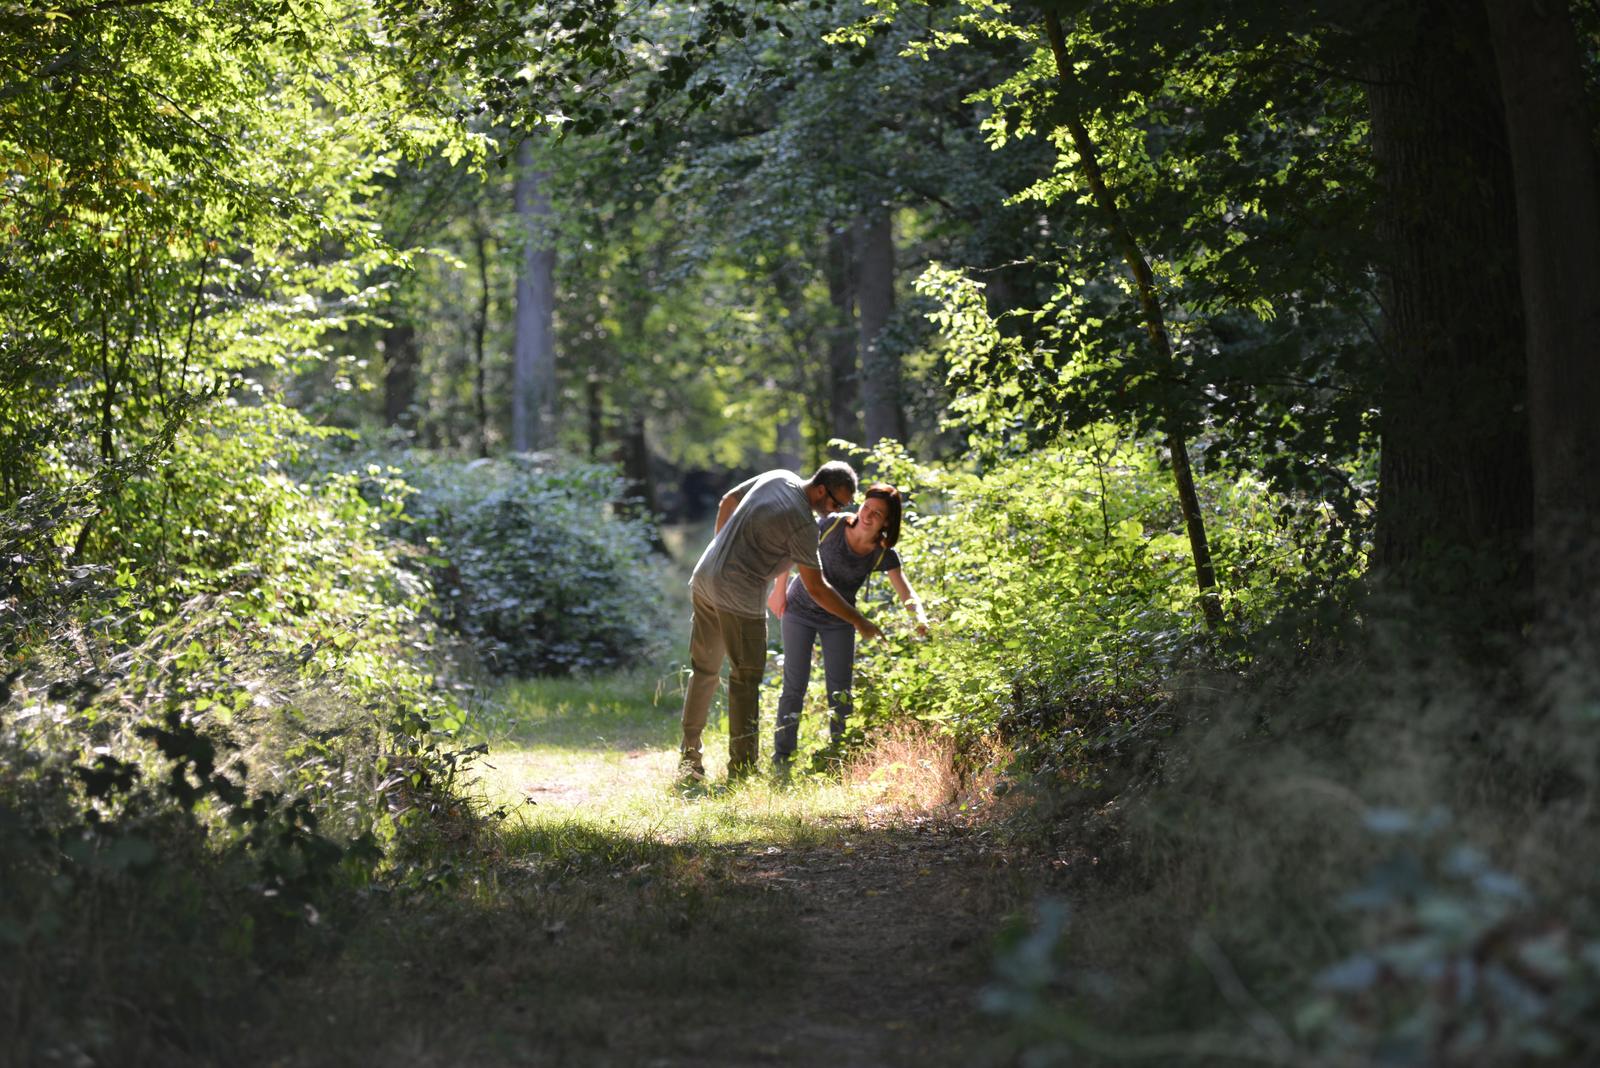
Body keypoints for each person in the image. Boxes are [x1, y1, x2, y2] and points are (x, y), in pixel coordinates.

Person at [678, 461, 884, 782]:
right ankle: (743, 769)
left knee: (704, 671)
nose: (838, 511)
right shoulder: (803, 525)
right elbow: (816, 588)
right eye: (837, 504)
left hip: (705, 578)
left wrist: (722, 550)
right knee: (745, 679)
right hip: (738, 596)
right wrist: (859, 621)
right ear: (820, 490)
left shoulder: (779, 476)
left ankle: (689, 759)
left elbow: (728, 500)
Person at [767, 483, 928, 769]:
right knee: (794, 685)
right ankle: (783, 756)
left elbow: (906, 591)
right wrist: (779, 590)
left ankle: (840, 755)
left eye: (877, 513)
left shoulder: (882, 554)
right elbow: (794, 549)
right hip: (799, 610)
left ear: (887, 522)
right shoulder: (832, 525)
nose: (868, 515)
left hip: (840, 620)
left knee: (840, 690)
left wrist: (920, 619)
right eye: (867, 507)